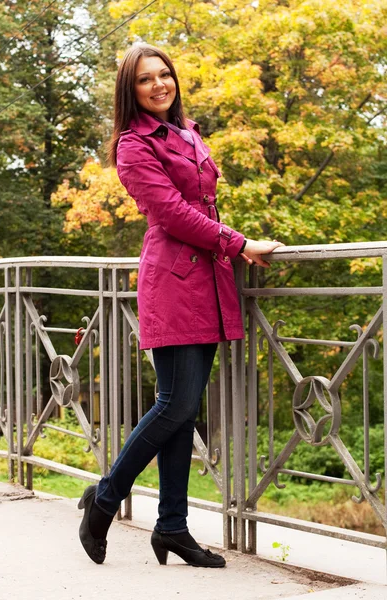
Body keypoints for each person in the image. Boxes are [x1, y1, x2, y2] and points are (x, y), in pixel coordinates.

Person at [78, 43, 283, 568]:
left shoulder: (189, 132)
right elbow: (170, 214)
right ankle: (104, 498)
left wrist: (230, 249)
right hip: (172, 279)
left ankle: (171, 526)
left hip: (208, 280)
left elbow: (202, 203)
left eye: (164, 74)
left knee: (183, 408)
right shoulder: (132, 146)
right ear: (132, 90)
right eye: (146, 79)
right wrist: (239, 243)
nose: (159, 85)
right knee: (174, 404)